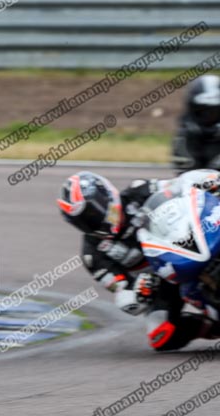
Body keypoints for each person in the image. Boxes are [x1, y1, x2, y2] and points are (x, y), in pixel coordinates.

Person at [57, 170, 220, 351]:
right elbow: (122, 292)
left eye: (94, 210)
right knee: (161, 335)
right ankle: (212, 327)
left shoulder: (138, 191)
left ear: (107, 194)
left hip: (187, 242)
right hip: (160, 280)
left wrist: (207, 182)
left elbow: (178, 186)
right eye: (85, 220)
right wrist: (139, 292)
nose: (94, 219)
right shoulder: (92, 255)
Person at [172, 74, 220, 172]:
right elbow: (184, 175)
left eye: (215, 112)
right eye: (204, 111)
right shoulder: (186, 136)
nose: (209, 116)